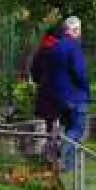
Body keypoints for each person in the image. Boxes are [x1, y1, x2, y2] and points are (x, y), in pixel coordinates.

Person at [45, 16, 90, 172]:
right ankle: (64, 157)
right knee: (77, 130)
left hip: (59, 96)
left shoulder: (54, 47)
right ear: (74, 30)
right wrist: (86, 86)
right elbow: (80, 72)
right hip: (76, 95)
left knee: (68, 127)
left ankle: (69, 166)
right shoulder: (74, 47)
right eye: (79, 30)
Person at [30, 23, 64, 166]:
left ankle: (49, 154)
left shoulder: (41, 51)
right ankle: (56, 153)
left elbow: (34, 72)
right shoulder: (61, 50)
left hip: (45, 91)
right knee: (60, 122)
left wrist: (40, 81)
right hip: (59, 91)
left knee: (50, 123)